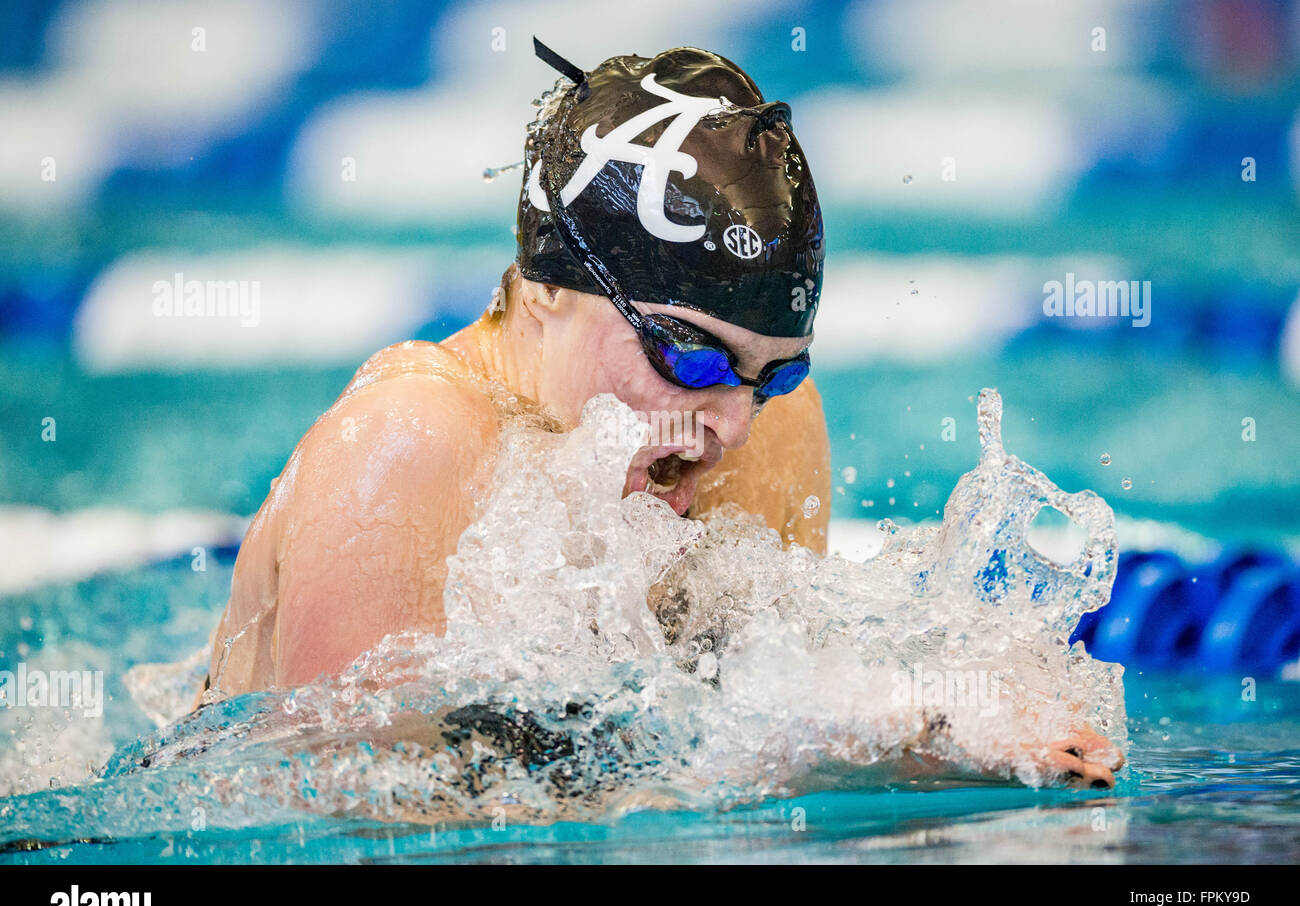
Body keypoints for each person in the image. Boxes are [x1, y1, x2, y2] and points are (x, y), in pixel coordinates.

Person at [193, 41, 1122, 789]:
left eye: (771, 375)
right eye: (686, 355)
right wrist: (827, 744)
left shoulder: (769, 437)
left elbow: (743, 716)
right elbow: (353, 818)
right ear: (552, 288)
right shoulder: (405, 449)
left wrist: (939, 732)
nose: (733, 426)